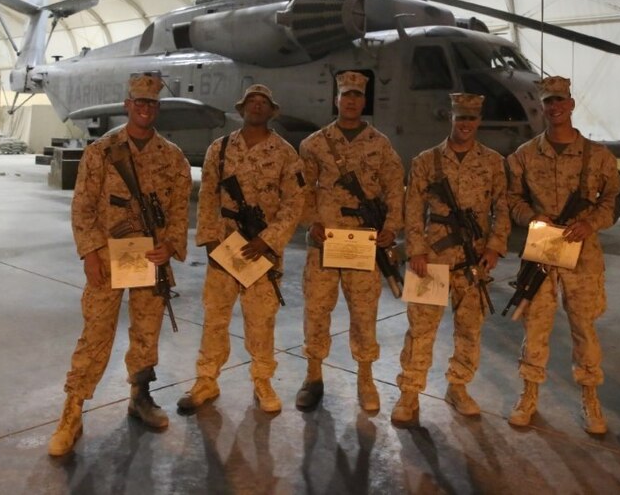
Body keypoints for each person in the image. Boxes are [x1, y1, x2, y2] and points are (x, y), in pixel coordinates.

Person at [47, 72, 192, 457]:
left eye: (152, 103)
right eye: (139, 102)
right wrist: (90, 253)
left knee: (146, 331)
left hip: (151, 259)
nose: (145, 109)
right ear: (128, 105)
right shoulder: (102, 151)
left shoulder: (172, 157)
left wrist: (170, 245)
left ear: (157, 108)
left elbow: (180, 211)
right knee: (95, 332)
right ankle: (72, 410)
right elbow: (82, 205)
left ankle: (140, 396)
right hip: (109, 258)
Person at [177, 84, 304, 415]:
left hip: (262, 253)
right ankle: (206, 379)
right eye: (251, 102)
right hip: (225, 247)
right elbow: (207, 196)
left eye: (263, 102)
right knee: (215, 318)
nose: (257, 106)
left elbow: (294, 204)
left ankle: (262, 381)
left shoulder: (285, 153)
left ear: (272, 111)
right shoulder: (219, 149)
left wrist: (268, 240)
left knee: (261, 321)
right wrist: (209, 241)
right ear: (242, 109)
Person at [505, 76, 620, 433]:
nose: (555, 107)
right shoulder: (525, 155)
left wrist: (591, 223)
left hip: (582, 253)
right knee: (535, 326)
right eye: (548, 102)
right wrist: (531, 217)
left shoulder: (597, 156)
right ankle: (528, 395)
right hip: (541, 250)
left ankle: (590, 400)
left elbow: (613, 200)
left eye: (560, 100)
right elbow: (512, 199)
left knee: (584, 327)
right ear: (542, 107)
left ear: (571, 104)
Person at [391, 93, 509, 425]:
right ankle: (409, 393)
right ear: (451, 119)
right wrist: (416, 250)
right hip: (432, 257)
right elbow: (413, 208)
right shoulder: (426, 161)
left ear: (479, 121)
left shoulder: (493, 162)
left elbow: (502, 207)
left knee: (470, 328)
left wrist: (494, 247)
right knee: (420, 328)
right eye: (460, 118)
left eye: (471, 118)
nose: (466, 124)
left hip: (474, 259)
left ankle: (458, 386)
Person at [296, 71, 404, 412]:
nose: (351, 101)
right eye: (346, 95)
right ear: (336, 100)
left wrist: (391, 228)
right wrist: (311, 221)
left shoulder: (380, 144)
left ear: (363, 101)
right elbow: (301, 190)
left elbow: (395, 186)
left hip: (363, 245)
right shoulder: (314, 144)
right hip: (325, 243)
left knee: (364, 314)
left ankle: (365, 379)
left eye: (357, 95)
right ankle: (313, 376)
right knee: (316, 312)